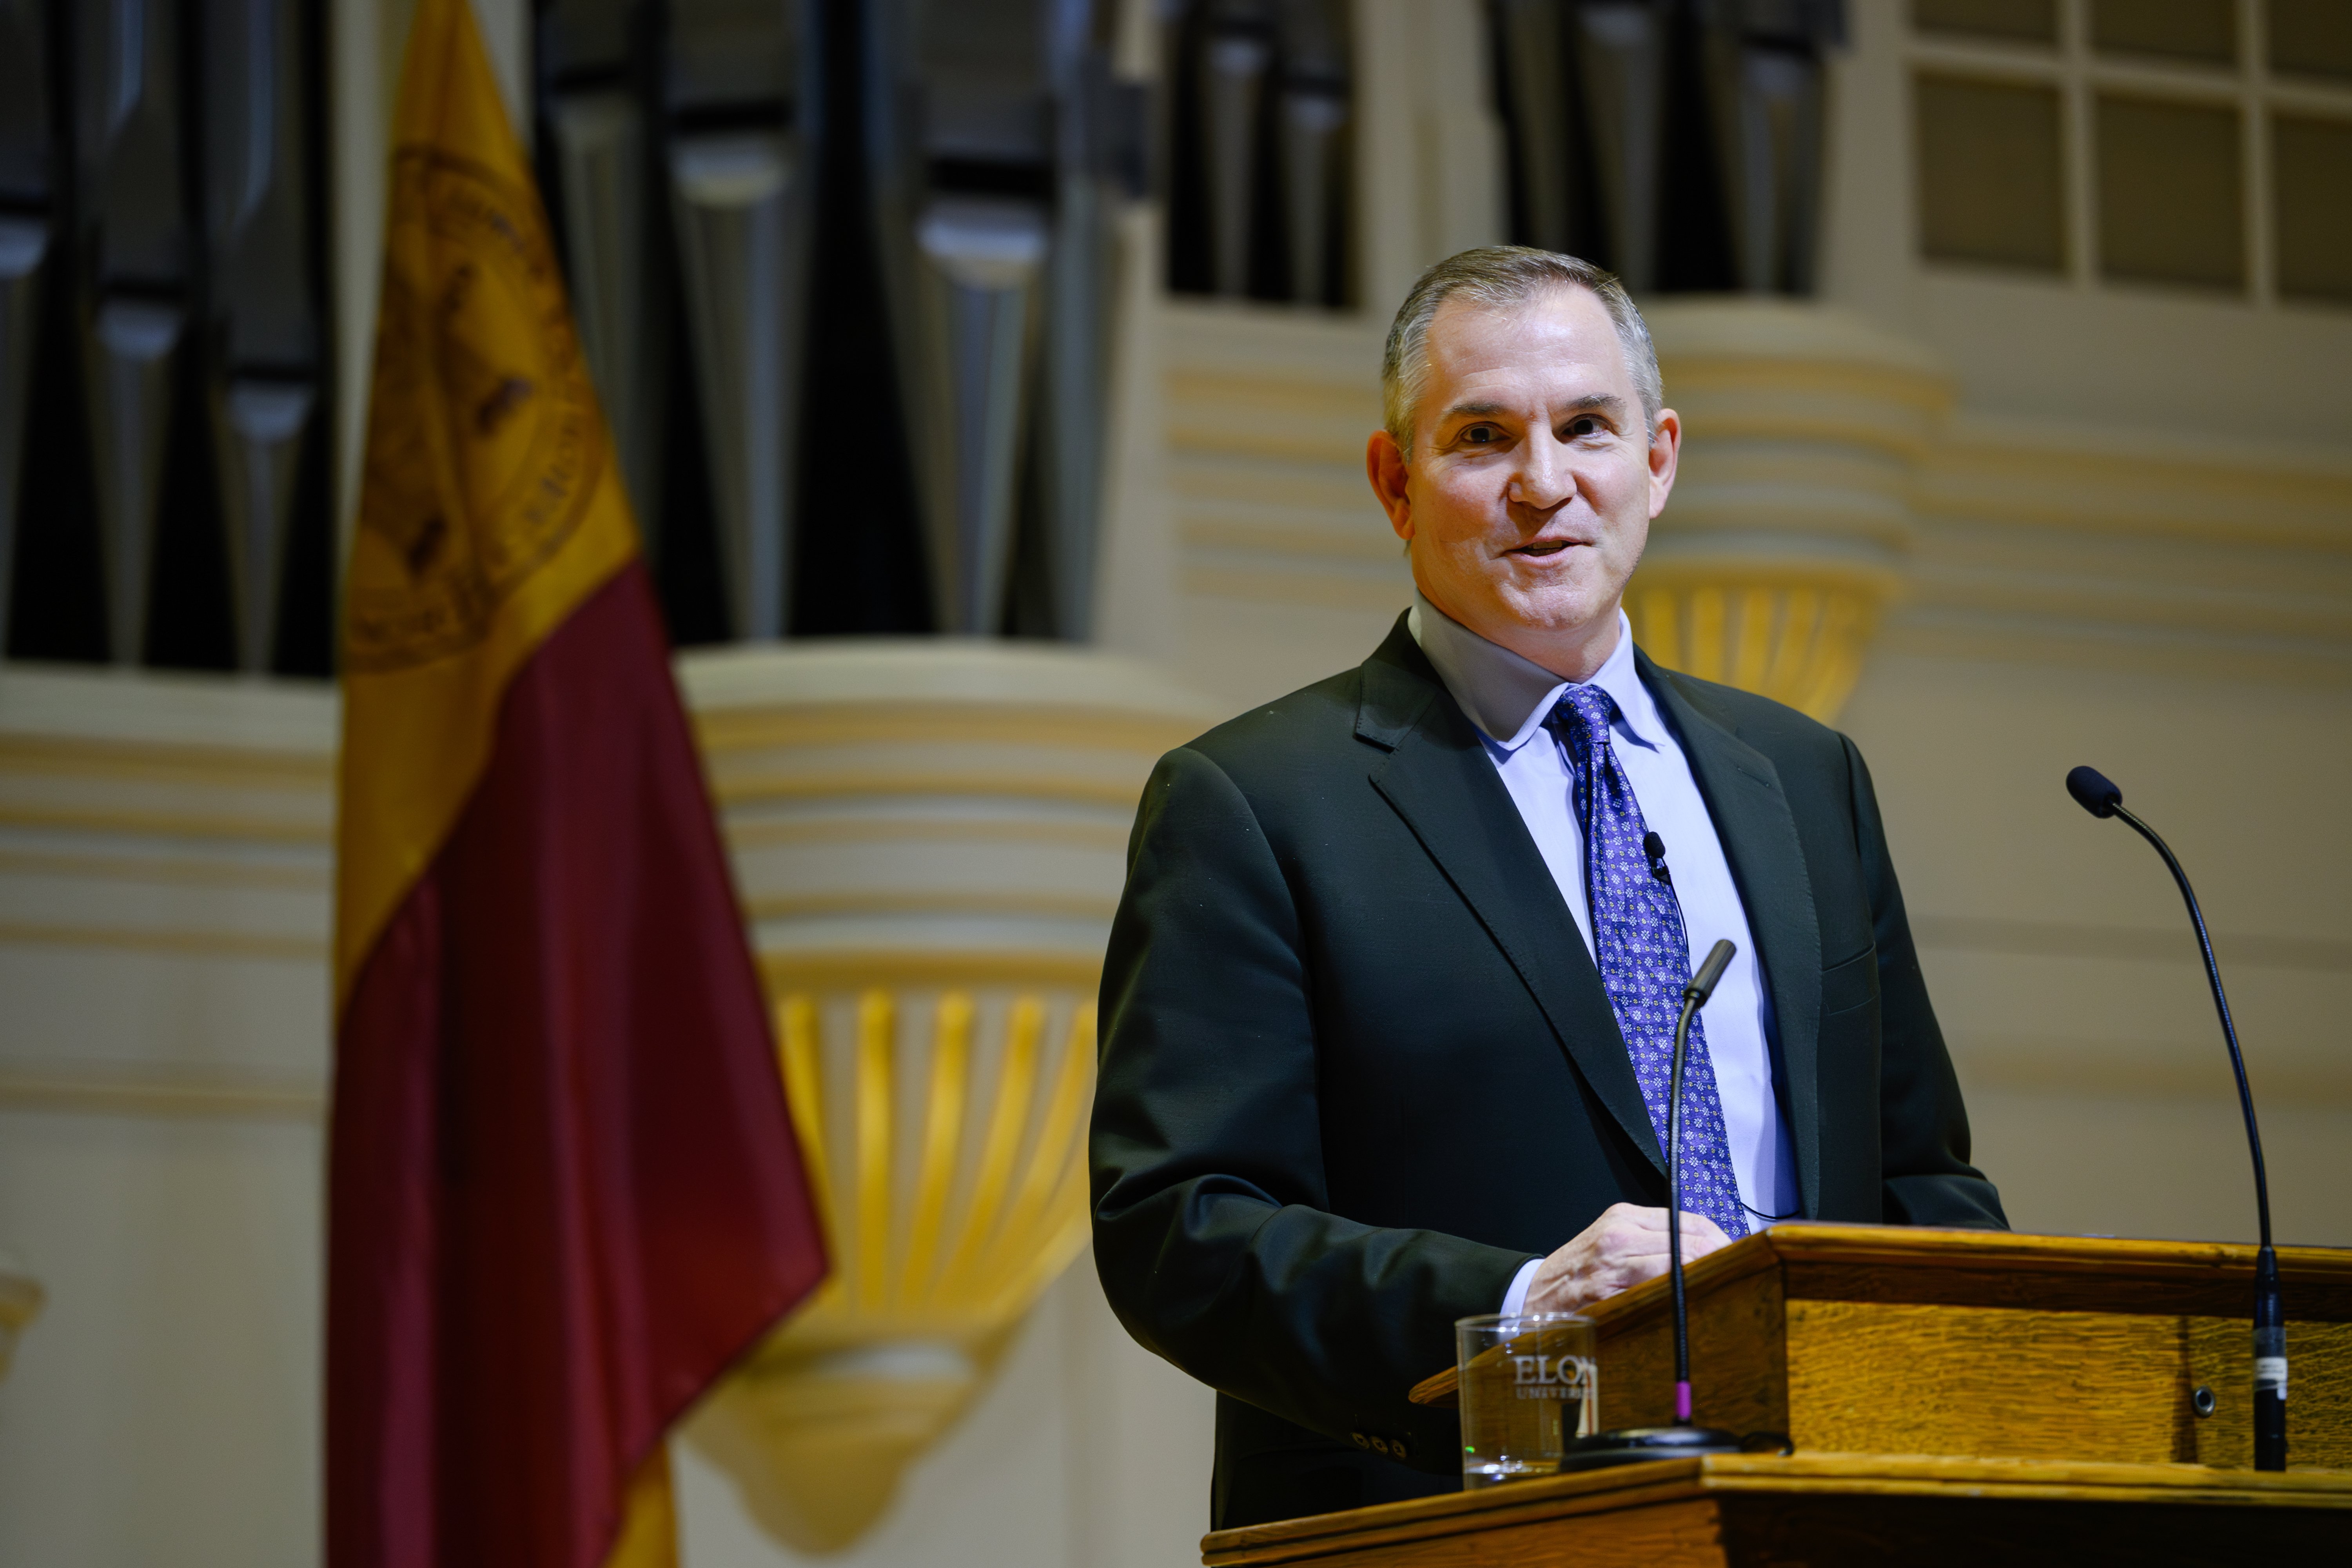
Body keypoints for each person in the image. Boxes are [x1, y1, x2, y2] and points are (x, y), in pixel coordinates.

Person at [1087, 247, 2005, 1530]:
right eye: (1482, 437)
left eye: (1586, 427)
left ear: (1661, 460)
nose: (1543, 484)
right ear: (1395, 484)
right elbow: (1177, 1229)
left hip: (1819, 1520)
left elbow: (1919, 1183)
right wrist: (1522, 1310)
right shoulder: (1254, 803)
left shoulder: (1805, 777)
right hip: (1449, 1526)